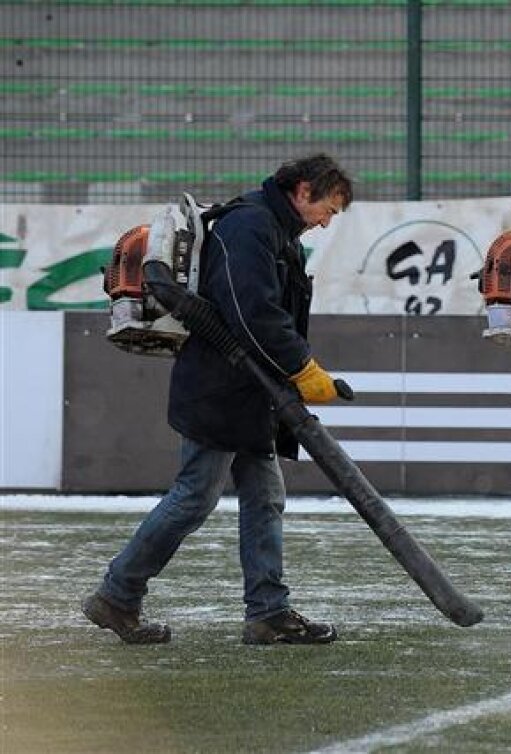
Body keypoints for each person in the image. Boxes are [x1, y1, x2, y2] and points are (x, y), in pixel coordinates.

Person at [82, 153, 354, 645]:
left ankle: (268, 611)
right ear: (303, 192)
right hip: (220, 388)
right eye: (327, 209)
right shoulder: (250, 225)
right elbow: (252, 310)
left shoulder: (273, 231)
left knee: (263, 497)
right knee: (193, 498)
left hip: (248, 392)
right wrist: (302, 367)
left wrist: (290, 373)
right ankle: (117, 595)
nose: (326, 222)